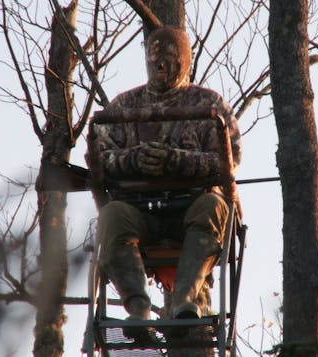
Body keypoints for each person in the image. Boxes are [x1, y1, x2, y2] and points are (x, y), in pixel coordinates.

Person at [85, 26, 241, 340]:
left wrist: (177, 161)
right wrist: (134, 160)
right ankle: (138, 308)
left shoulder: (210, 105)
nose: (160, 63)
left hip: (192, 207)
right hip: (140, 212)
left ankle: (184, 301)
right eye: (154, 56)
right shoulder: (123, 107)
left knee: (214, 206)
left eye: (169, 56)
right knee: (112, 216)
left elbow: (230, 158)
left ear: (185, 59)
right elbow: (100, 158)